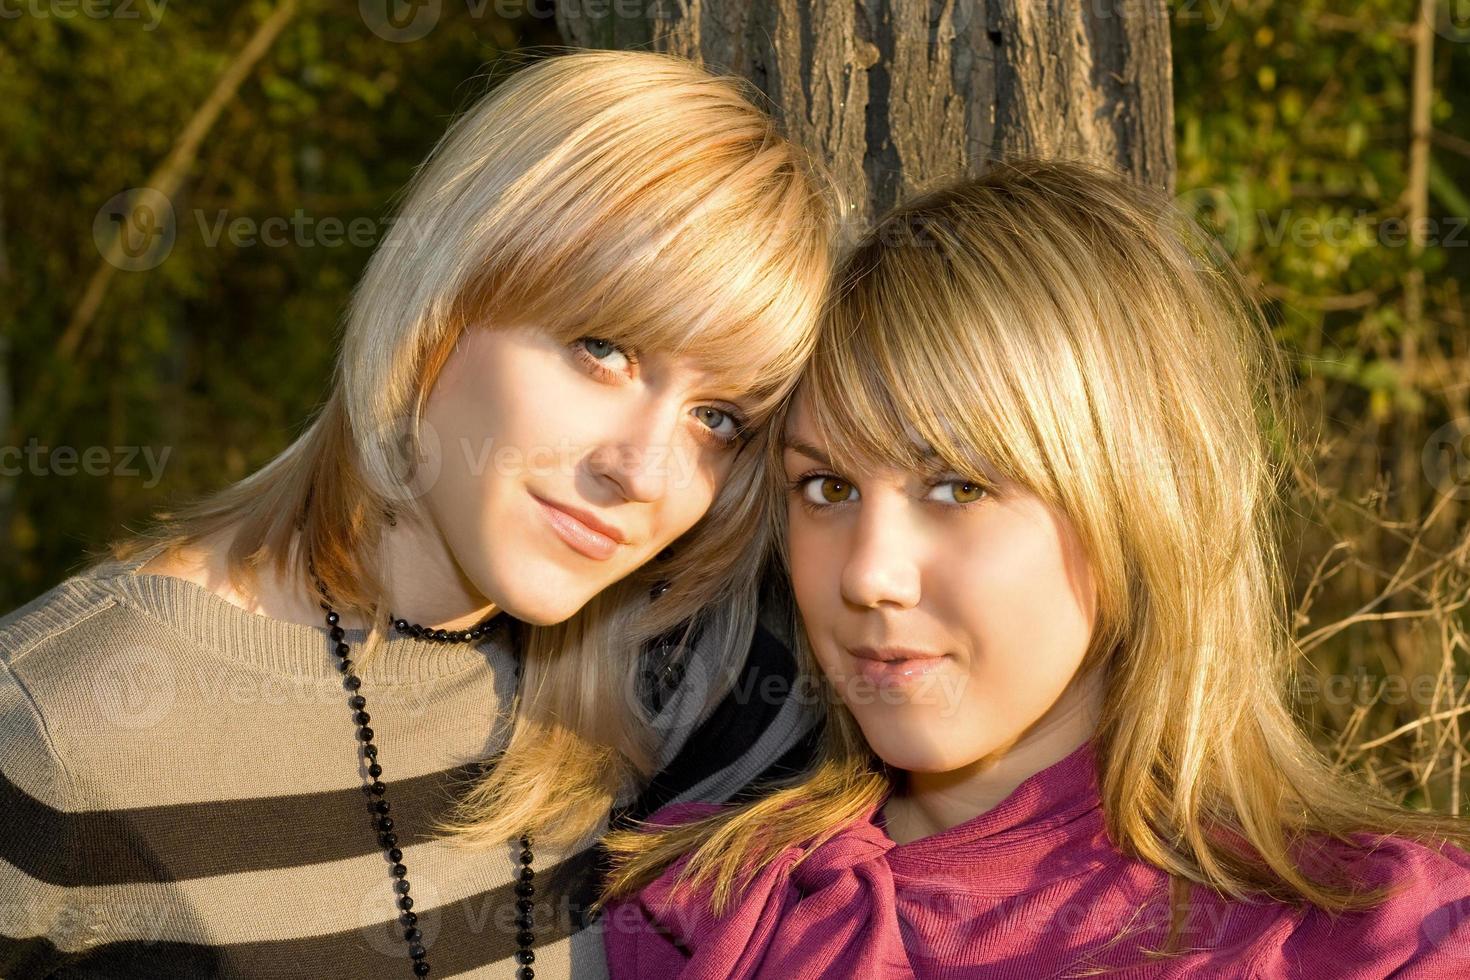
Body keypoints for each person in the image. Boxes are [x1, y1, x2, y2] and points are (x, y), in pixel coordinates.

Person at [0, 49, 835, 979]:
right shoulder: (53, 732)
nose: (642, 470)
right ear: (443, 296)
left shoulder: (685, 688)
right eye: (603, 349)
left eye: (718, 419)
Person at [596, 159, 1470, 978]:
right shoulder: (702, 915)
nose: (869, 576)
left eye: (959, 486)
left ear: (1140, 503)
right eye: (826, 485)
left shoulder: (1387, 934)